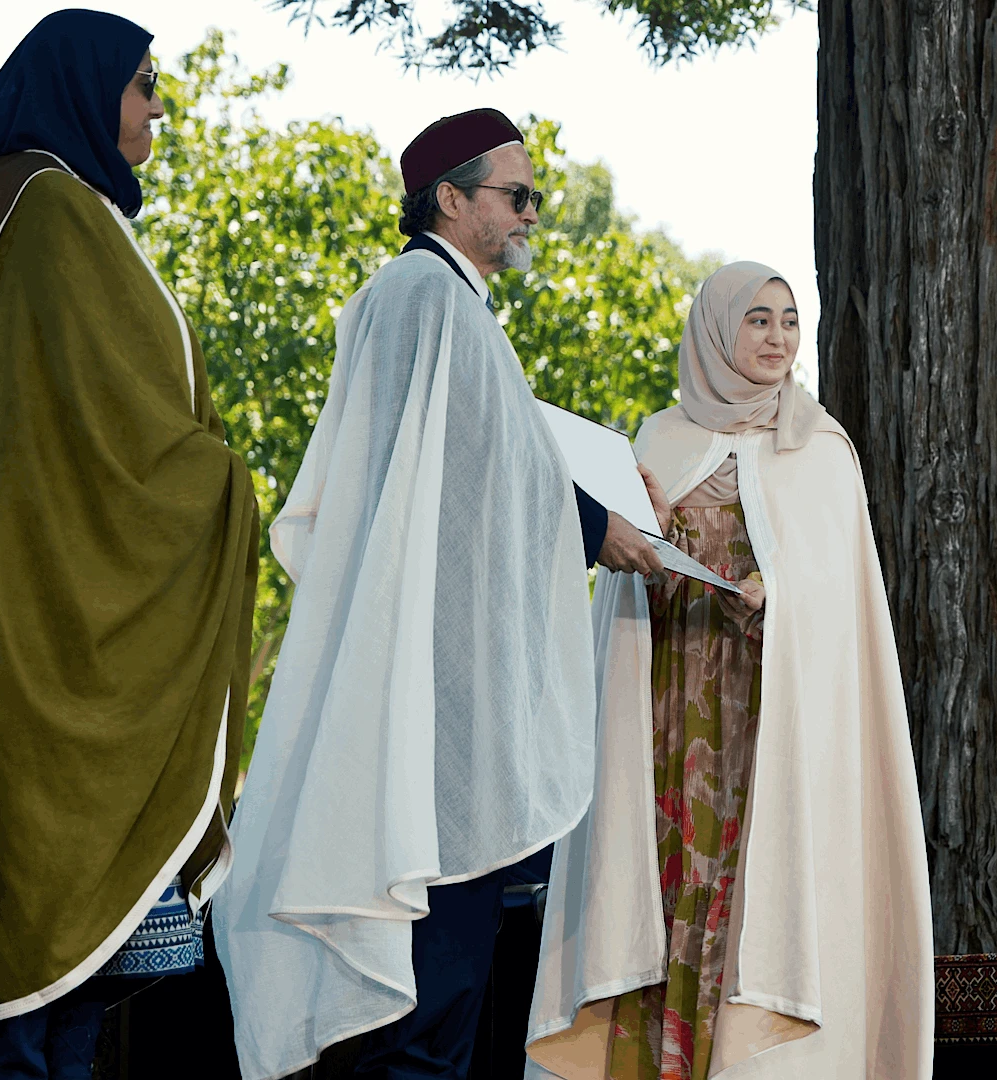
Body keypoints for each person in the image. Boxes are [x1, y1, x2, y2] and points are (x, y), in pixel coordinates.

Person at [215, 108, 665, 1080]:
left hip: (433, 690)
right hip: (435, 709)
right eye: (517, 195)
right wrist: (600, 529)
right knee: (433, 1001)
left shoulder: (429, 299)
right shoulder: (429, 297)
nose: (534, 215)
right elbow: (488, 479)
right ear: (450, 199)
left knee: (441, 1000)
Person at [0, 10, 260, 1078]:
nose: (158, 105)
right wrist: (224, 481)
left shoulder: (22, 211)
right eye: (141, 83)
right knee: (39, 1032)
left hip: (37, 637)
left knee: (65, 1013)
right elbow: (132, 450)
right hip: (66, 651)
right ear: (82, 89)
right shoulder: (55, 214)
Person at [526, 263, 935, 1079]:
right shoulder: (657, 440)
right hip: (669, 713)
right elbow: (624, 571)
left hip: (769, 723)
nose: (777, 338)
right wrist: (648, 521)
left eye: (788, 321)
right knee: (665, 882)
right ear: (716, 330)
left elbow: (843, 601)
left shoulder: (822, 449)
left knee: (754, 889)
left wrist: (775, 597)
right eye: (757, 320)